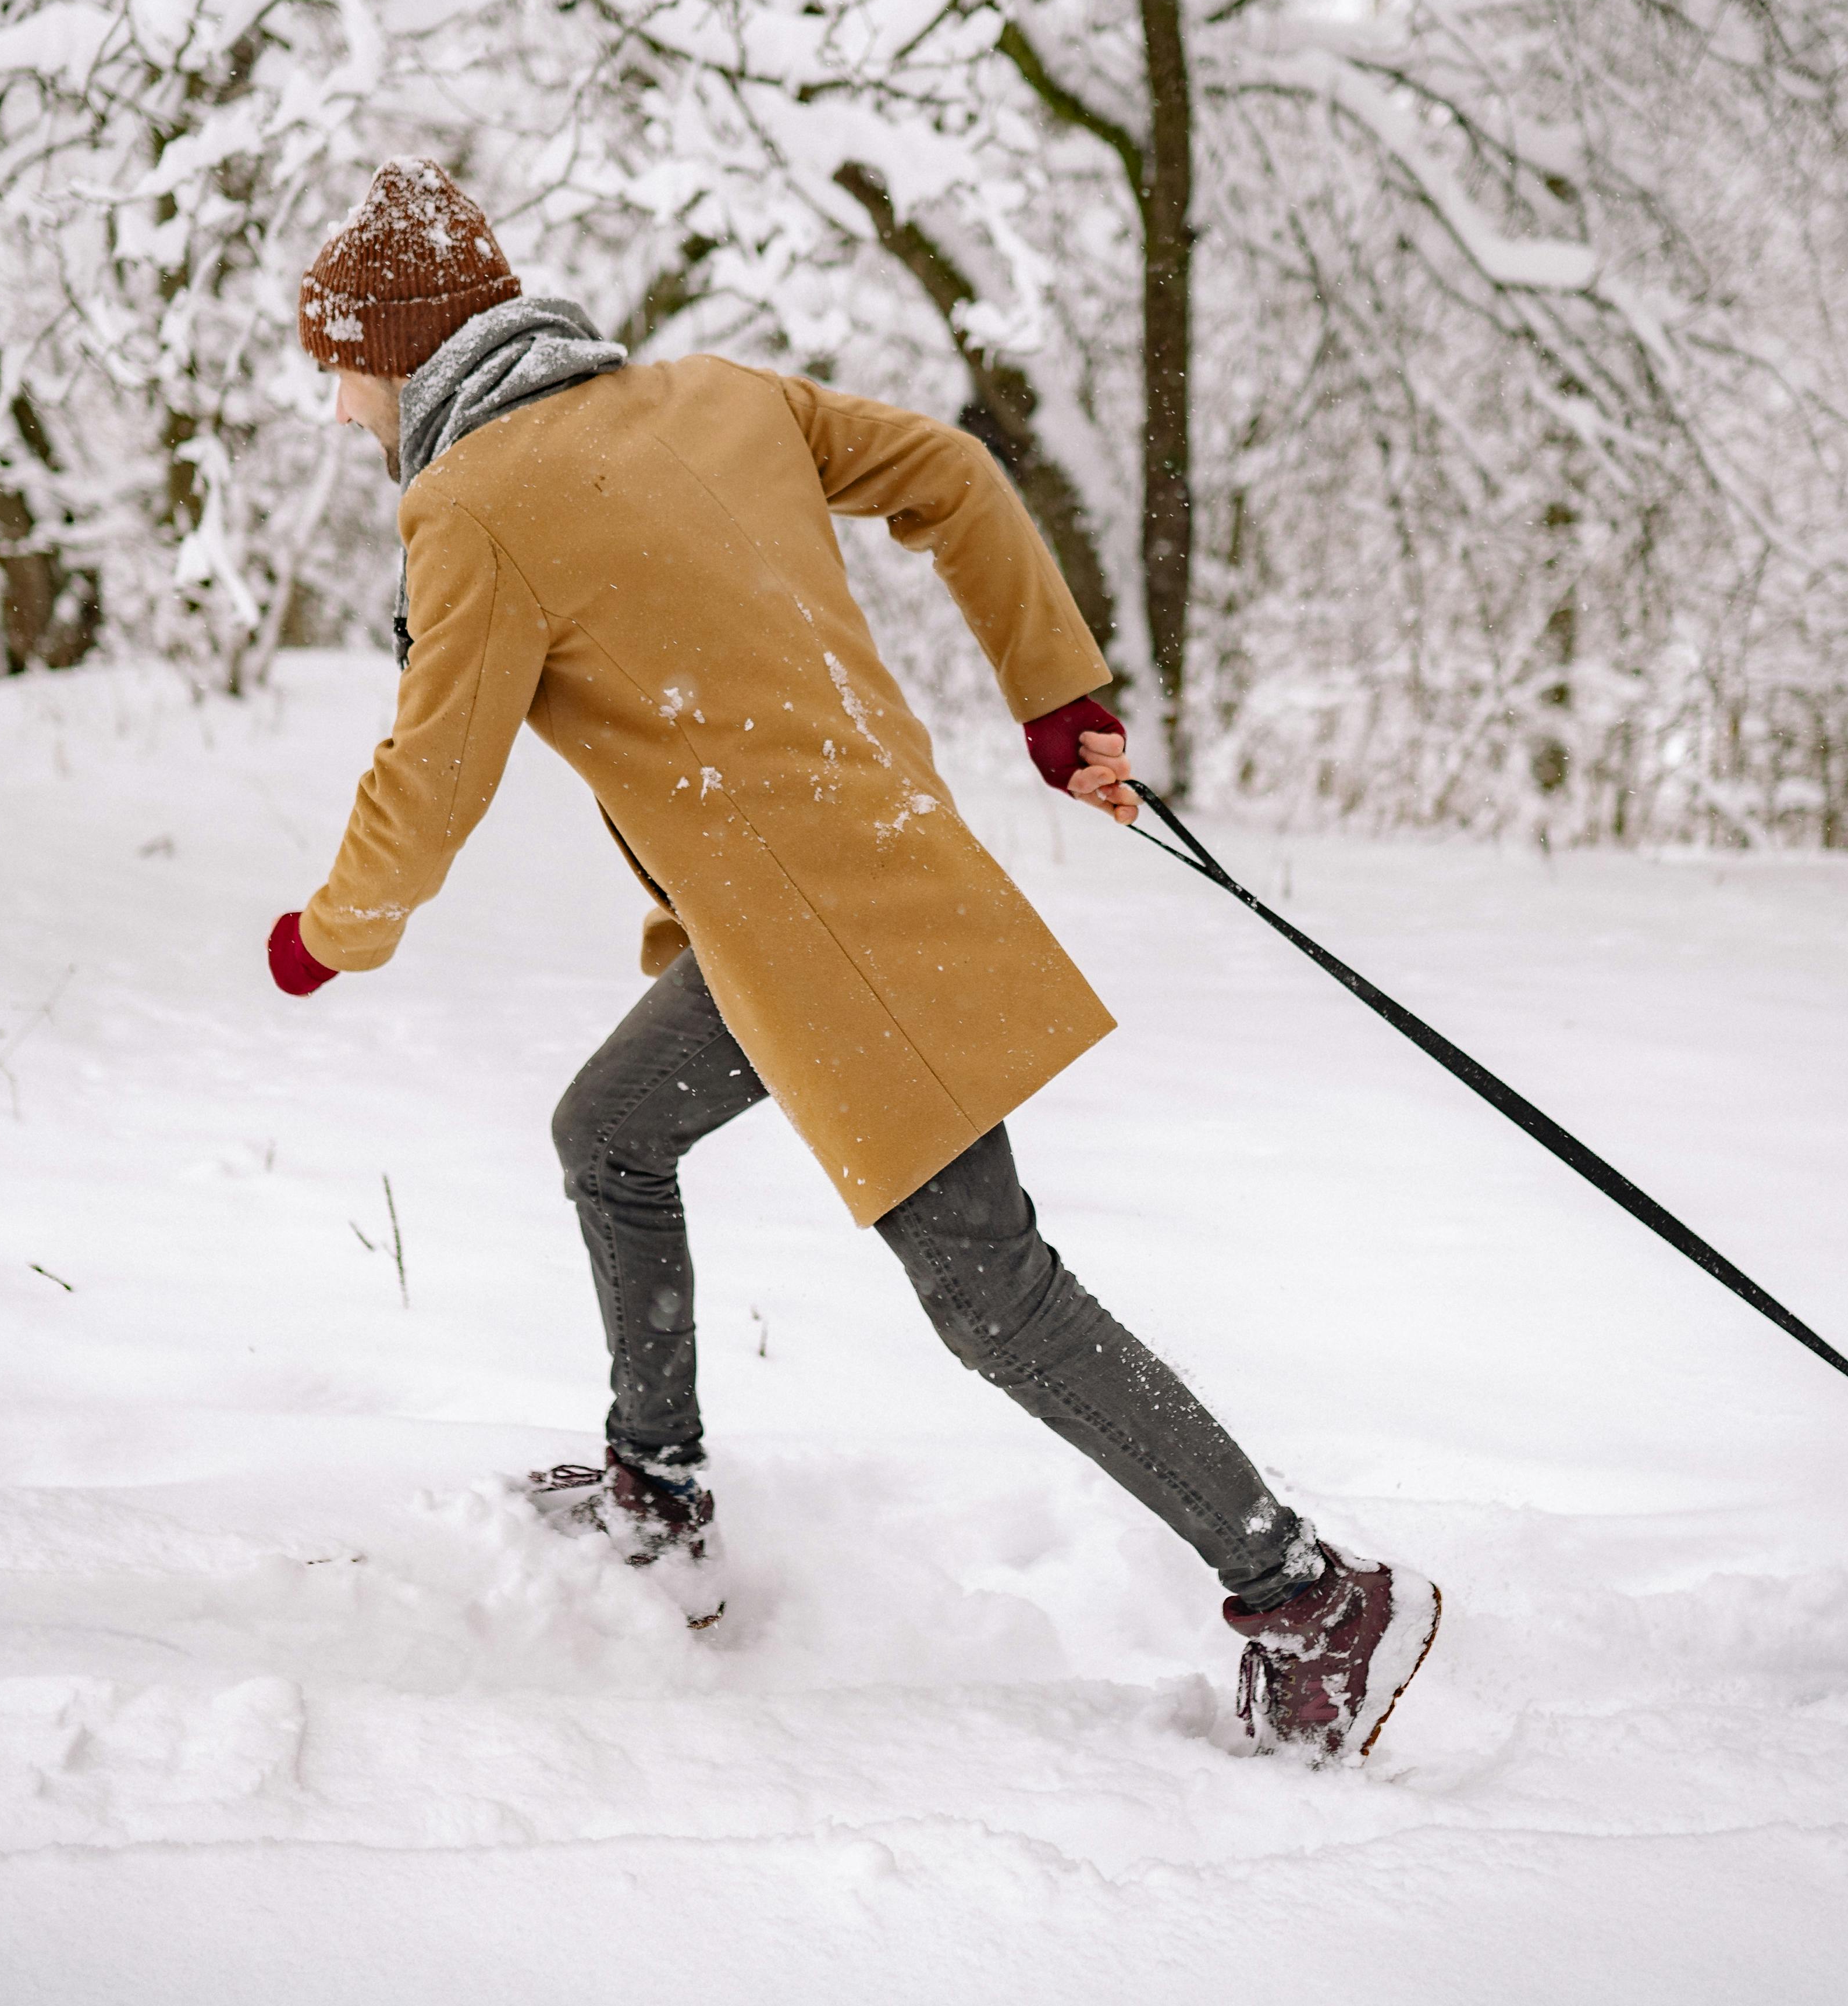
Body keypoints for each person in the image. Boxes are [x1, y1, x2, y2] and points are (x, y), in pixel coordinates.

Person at [260, 159, 1439, 1761]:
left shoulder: (468, 509)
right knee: (609, 1133)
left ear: (403, 348)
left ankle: (1309, 1594)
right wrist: (1058, 697)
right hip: (802, 920)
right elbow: (947, 470)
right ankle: (657, 1494)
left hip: (838, 950)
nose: (338, 411)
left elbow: (431, 779)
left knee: (993, 1297)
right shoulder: (715, 396)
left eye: (341, 370)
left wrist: (330, 936)